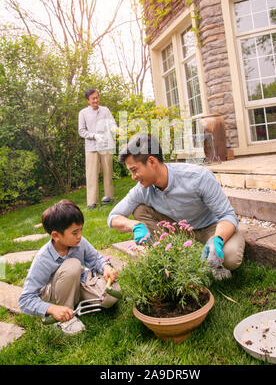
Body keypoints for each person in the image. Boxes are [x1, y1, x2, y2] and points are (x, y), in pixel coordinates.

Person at [108, 133, 245, 276]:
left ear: (151, 162)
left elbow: (227, 215)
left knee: (230, 257)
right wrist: (135, 226)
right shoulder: (142, 190)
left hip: (211, 227)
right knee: (140, 211)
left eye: (134, 170)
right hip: (180, 228)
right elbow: (113, 217)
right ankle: (168, 260)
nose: (133, 177)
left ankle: (215, 254)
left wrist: (217, 239)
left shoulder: (198, 177)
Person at [18, 199, 119, 335]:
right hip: (54, 295)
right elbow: (25, 300)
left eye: (81, 230)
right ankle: (64, 317)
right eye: (75, 233)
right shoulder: (43, 259)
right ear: (56, 235)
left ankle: (75, 302)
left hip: (77, 282)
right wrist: (52, 309)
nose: (80, 236)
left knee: (110, 298)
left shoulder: (79, 242)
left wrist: (105, 267)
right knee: (73, 265)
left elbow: (95, 259)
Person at [78, 88, 117, 209]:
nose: (96, 100)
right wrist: (94, 136)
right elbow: (82, 131)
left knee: (108, 173)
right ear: (88, 100)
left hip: (106, 146)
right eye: (93, 98)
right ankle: (92, 202)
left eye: (97, 97)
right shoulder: (83, 113)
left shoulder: (105, 110)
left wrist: (115, 129)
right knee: (91, 175)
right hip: (91, 148)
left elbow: (112, 124)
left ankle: (109, 197)